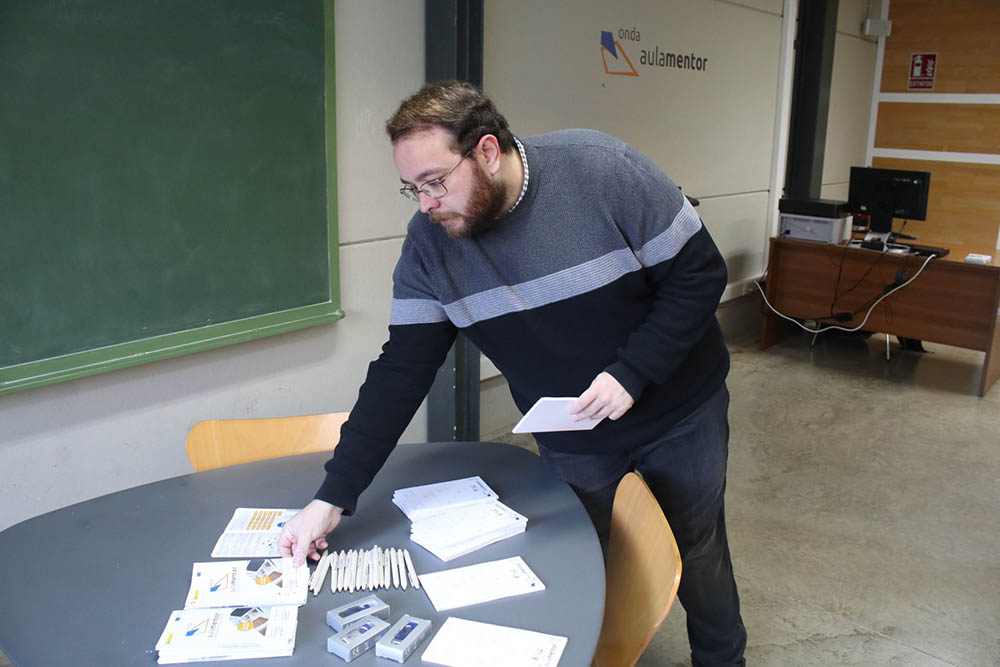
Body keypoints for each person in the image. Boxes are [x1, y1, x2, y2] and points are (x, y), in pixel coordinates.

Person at [278, 80, 747, 665]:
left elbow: (699, 274)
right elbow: (401, 369)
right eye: (412, 188)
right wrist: (333, 497)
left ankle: (722, 659)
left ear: (487, 151)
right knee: (583, 560)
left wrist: (633, 372)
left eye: (435, 182)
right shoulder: (430, 246)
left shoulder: (601, 169)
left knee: (696, 550)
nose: (425, 204)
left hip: (680, 411)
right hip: (574, 431)